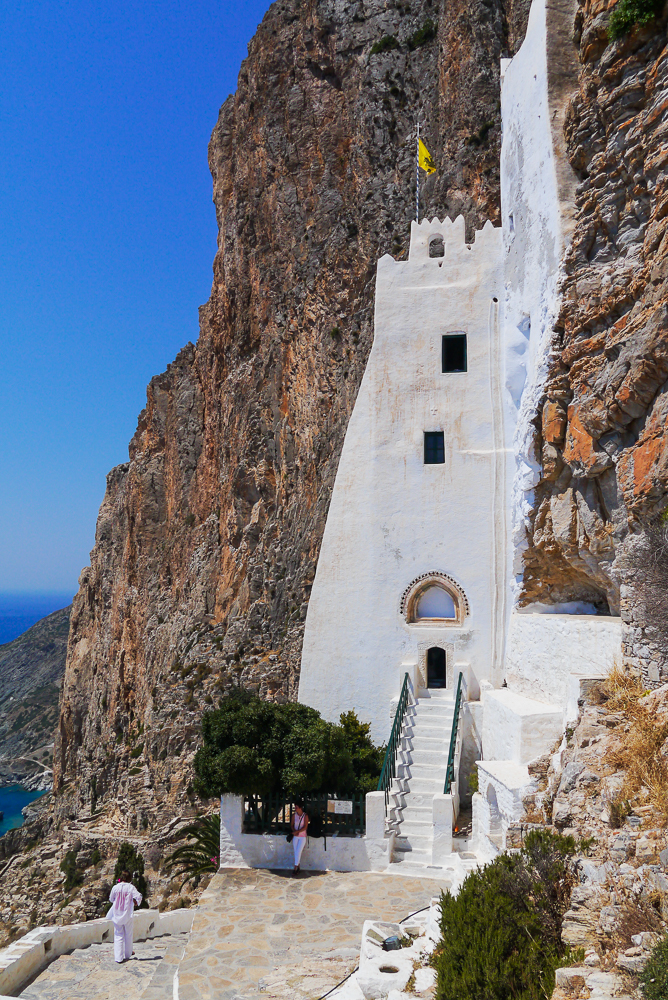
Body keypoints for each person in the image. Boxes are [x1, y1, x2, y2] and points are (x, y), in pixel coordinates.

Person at [108, 870, 143, 963]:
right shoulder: (131, 887)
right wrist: (136, 902)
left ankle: (118, 957)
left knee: (118, 935)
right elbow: (139, 897)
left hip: (117, 914)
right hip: (127, 914)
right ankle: (128, 954)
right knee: (128, 934)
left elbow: (111, 899)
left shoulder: (115, 887)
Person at [291, 800, 309, 874]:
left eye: (297, 807)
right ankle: (298, 866)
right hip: (296, 836)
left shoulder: (305, 816)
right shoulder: (294, 816)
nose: (295, 808)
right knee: (296, 851)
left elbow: (305, 827)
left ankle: (295, 867)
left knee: (298, 851)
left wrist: (298, 831)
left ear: (300, 808)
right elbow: (292, 825)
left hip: (302, 836)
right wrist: (294, 831)